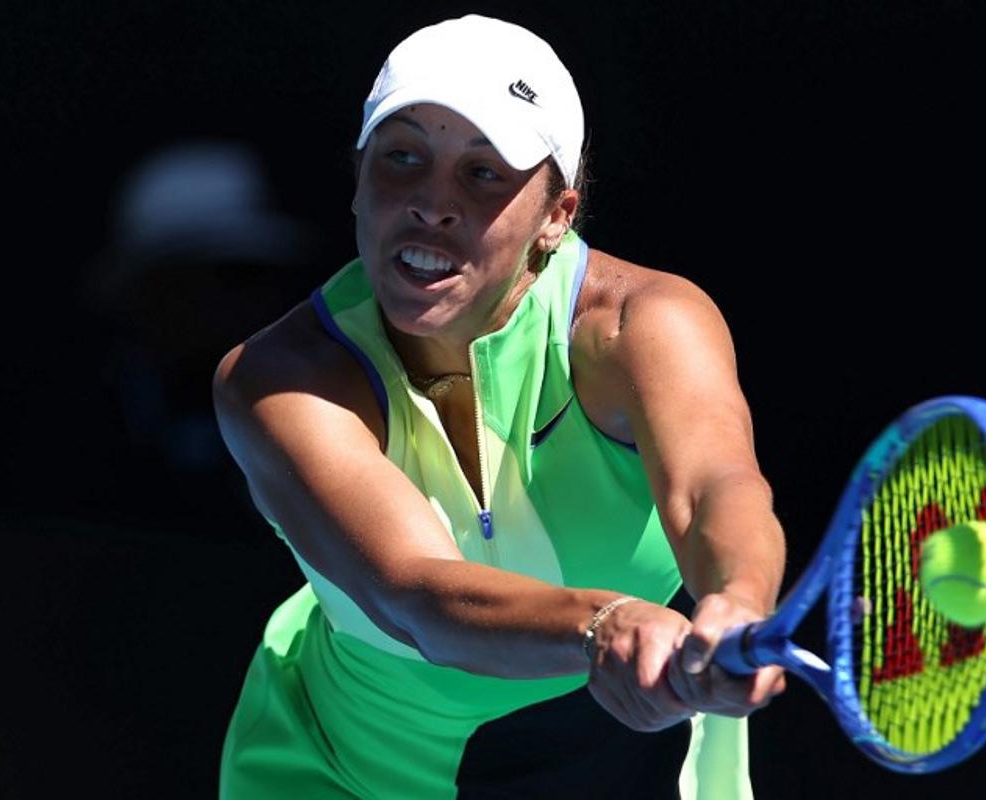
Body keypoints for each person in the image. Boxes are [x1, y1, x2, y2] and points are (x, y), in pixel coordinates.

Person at [214, 14, 786, 798]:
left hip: (609, 768)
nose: (431, 204)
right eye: (403, 157)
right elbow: (417, 593)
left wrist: (739, 600)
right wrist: (600, 623)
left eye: (484, 173)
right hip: (342, 770)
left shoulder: (643, 325)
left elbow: (714, 487)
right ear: (358, 178)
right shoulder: (276, 378)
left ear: (558, 214)